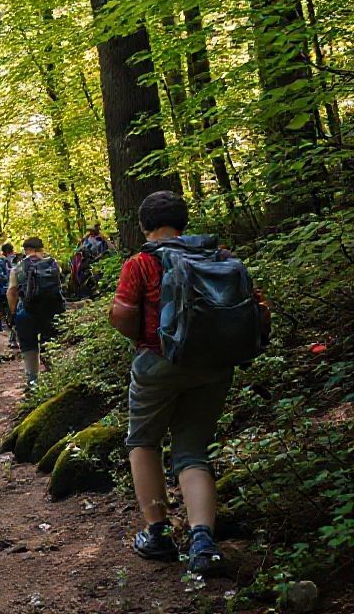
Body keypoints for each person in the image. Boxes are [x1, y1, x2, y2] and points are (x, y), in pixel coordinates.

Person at [108, 191, 268, 577]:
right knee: (194, 452)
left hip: (157, 363)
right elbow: (259, 311)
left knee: (143, 441)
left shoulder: (142, 262)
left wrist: (143, 339)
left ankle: (157, 531)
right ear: (184, 223)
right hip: (214, 365)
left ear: (144, 225)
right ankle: (202, 541)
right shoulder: (220, 257)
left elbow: (122, 316)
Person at [7, 237, 65, 388]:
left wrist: (13, 313)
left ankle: (32, 380)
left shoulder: (18, 267)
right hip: (52, 311)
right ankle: (55, 376)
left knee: (29, 346)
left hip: (27, 311)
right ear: (41, 249)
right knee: (51, 341)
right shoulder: (54, 264)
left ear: (26, 250)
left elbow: (12, 291)